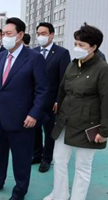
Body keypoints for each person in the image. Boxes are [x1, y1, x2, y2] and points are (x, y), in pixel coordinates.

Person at [0, 18, 48, 200]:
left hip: (22, 120)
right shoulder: (2, 56)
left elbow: (42, 90)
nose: (4, 37)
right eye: (3, 34)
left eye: (8, 34)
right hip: (0, 117)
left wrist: (34, 114)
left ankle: (19, 192)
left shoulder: (34, 58)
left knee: (21, 159)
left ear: (20, 35)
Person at [43, 23, 108, 200]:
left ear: (94, 47)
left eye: (82, 45)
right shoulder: (72, 65)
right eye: (76, 43)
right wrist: (58, 112)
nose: (77, 48)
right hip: (65, 121)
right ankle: (59, 194)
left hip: (89, 125)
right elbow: (62, 90)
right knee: (59, 160)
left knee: (83, 166)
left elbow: (106, 101)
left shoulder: (102, 68)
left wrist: (104, 131)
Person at [32, 22, 71, 173]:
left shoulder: (61, 53)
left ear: (52, 34)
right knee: (34, 129)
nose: (41, 36)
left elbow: (64, 80)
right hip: (34, 101)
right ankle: (36, 154)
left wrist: (58, 100)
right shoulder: (33, 52)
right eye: (39, 34)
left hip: (51, 102)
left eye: (44, 33)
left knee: (49, 132)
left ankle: (46, 159)